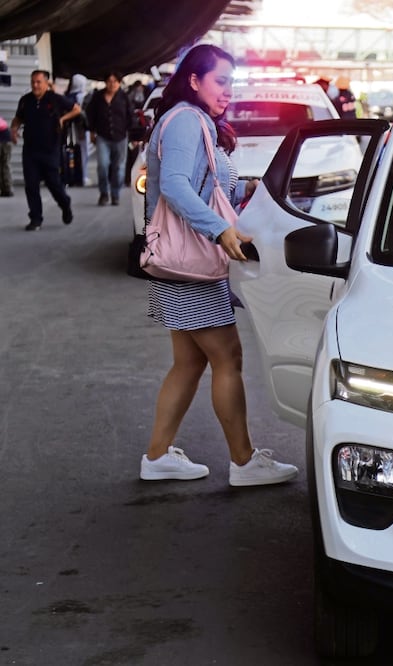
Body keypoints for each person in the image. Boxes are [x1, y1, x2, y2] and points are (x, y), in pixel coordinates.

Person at [139, 43, 297, 487]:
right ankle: (245, 462)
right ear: (194, 80)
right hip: (192, 262)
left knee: (189, 363)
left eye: (232, 82)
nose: (229, 91)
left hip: (180, 263)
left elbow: (203, 185)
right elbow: (173, 185)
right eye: (220, 81)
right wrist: (219, 230)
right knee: (227, 356)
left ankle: (157, 457)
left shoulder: (190, 121)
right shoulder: (187, 120)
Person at [10, 69, 81, 231]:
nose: (35, 85)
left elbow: (77, 109)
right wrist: (14, 130)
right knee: (31, 185)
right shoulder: (25, 100)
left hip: (50, 149)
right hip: (30, 150)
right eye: (33, 82)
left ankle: (65, 204)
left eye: (38, 82)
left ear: (46, 83)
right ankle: (35, 218)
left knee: (54, 184)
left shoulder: (54, 99)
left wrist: (62, 119)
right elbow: (18, 118)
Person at [85, 71, 137, 205]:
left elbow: (131, 116)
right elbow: (90, 115)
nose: (112, 84)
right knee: (102, 165)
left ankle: (115, 194)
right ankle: (103, 193)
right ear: (105, 82)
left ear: (119, 83)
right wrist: (91, 132)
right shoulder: (97, 96)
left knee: (119, 168)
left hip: (121, 137)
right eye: (109, 81)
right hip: (103, 136)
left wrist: (133, 136)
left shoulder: (124, 97)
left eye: (115, 81)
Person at [0, 113, 12, 196]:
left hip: (3, 141)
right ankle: (7, 189)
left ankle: (6, 189)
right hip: (7, 141)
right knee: (5, 165)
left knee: (3, 165)